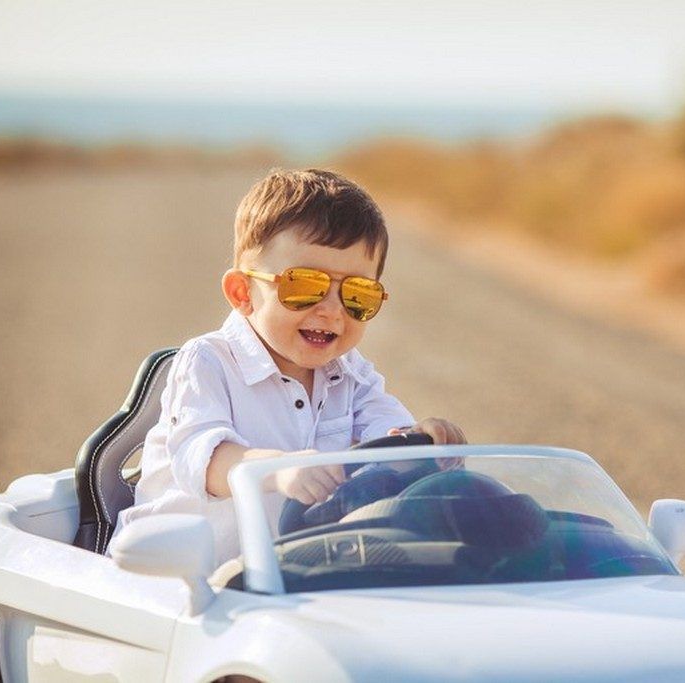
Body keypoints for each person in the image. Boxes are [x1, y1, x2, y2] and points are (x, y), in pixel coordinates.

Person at [111, 169, 467, 565]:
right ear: (242, 293)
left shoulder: (353, 375)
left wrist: (424, 441)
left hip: (287, 577)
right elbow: (206, 460)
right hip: (171, 579)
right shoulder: (207, 362)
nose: (331, 310)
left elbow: (392, 439)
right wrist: (280, 469)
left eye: (357, 294)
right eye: (304, 286)